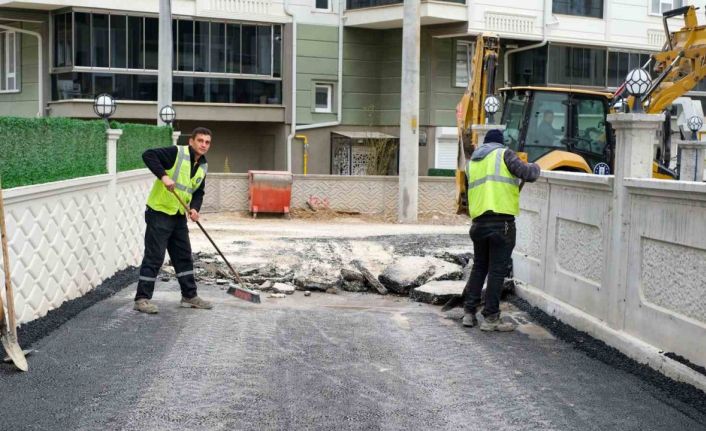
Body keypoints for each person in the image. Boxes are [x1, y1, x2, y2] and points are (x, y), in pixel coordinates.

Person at [462, 129, 540, 331]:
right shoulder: (504, 154)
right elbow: (528, 174)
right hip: (501, 223)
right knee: (497, 271)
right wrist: (537, 165)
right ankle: (491, 318)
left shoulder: (471, 164)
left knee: (480, 267)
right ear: (500, 143)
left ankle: (469, 313)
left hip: (478, 223)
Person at [133, 127, 214, 314]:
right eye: (200, 140)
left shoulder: (203, 165)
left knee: (183, 255)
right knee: (155, 256)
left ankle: (189, 296)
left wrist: (195, 208)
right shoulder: (176, 152)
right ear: (192, 141)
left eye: (207, 142)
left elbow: (198, 192)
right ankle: (142, 299)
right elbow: (148, 155)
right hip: (160, 211)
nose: (203, 145)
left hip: (178, 215)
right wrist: (164, 176)